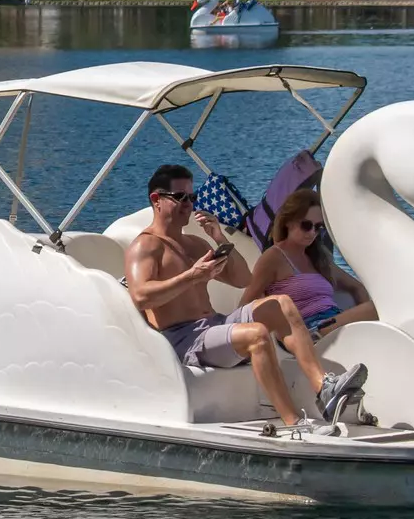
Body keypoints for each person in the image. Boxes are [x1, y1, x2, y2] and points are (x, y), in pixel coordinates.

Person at [123, 164, 368, 427]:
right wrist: (192, 276)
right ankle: (293, 421)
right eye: (181, 198)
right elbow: (141, 296)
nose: (189, 205)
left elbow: (242, 278)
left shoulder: (194, 244)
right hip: (184, 339)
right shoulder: (145, 245)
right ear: (156, 200)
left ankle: (325, 388)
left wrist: (218, 238)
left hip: (214, 324)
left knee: (281, 304)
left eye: (192, 198)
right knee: (257, 335)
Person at [244, 188, 377, 336]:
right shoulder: (274, 257)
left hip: (332, 322)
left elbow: (357, 287)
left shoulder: (318, 258)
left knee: (379, 307)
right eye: (306, 226)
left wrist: (367, 325)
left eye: (318, 227)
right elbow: (246, 305)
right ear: (288, 222)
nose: (312, 233)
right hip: (309, 330)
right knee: (377, 308)